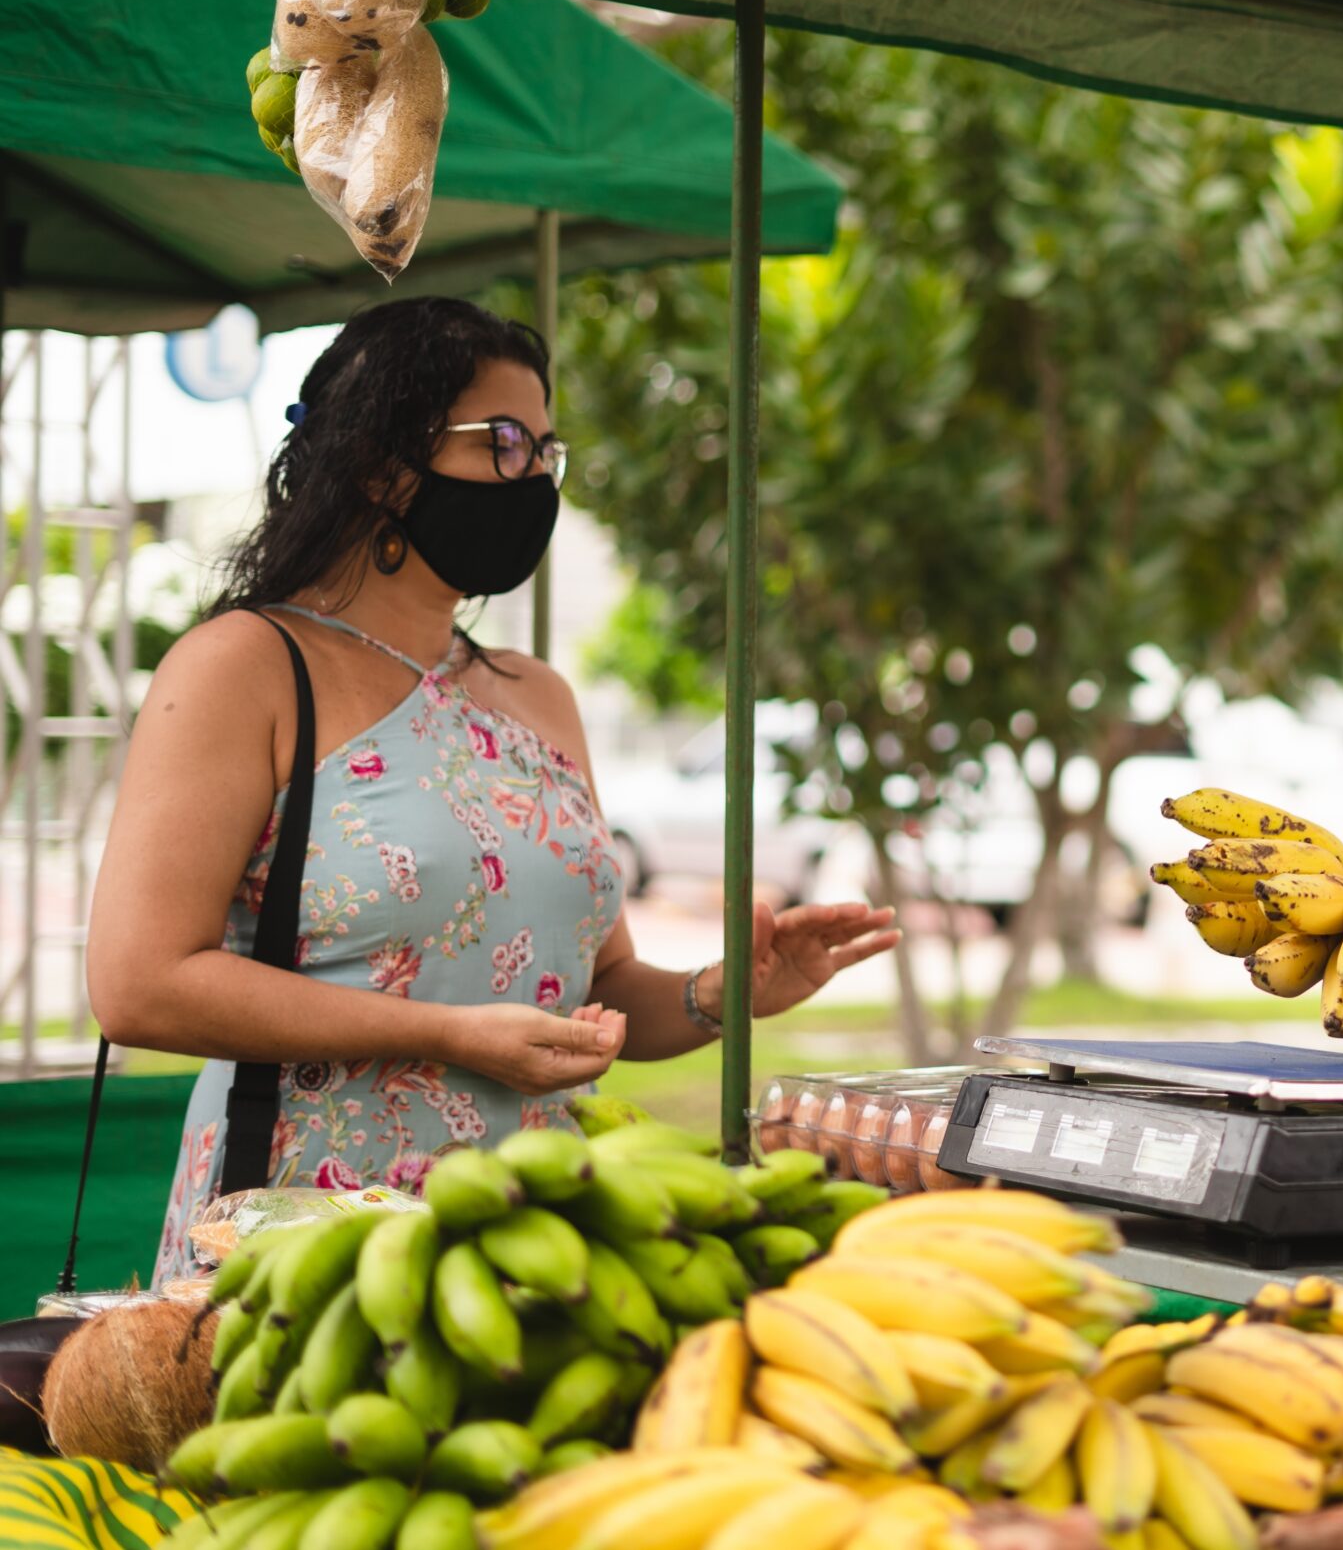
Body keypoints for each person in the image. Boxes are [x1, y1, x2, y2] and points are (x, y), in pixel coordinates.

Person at [87, 299, 900, 1282]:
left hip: (537, 1241)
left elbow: (593, 995)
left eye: (547, 452)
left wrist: (717, 994)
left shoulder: (537, 696)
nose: (534, 480)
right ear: (382, 461)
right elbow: (139, 984)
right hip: (303, 1250)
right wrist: (446, 1034)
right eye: (504, 443)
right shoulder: (244, 666)